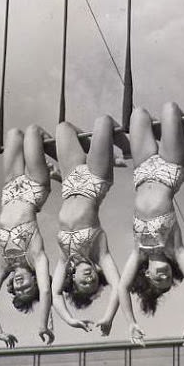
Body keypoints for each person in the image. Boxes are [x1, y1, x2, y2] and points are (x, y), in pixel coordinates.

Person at [118, 102, 184, 347]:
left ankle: (171, 135)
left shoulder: (138, 253)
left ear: (147, 275)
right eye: (168, 278)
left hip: (143, 171)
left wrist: (131, 322)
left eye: (158, 279)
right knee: (170, 109)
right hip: (169, 171)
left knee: (138, 113)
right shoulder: (175, 250)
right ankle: (181, 138)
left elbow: (123, 287)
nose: (164, 275)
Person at [51, 116, 131, 336]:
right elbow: (117, 286)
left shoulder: (63, 258)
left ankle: (105, 153)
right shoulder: (99, 253)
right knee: (103, 122)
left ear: (72, 279)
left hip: (70, 181)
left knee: (63, 127)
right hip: (95, 181)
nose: (90, 279)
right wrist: (108, 317)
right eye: (94, 282)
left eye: (84, 283)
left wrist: (69, 320)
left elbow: (55, 294)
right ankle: (126, 148)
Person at [0, 125, 58, 348]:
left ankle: (56, 168)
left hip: (11, 190)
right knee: (33, 131)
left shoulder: (3, 264)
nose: (20, 286)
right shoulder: (38, 258)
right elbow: (46, 291)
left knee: (14, 133)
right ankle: (58, 163)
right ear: (34, 280)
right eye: (27, 288)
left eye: (18, 290)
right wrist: (43, 324)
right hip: (34, 189)